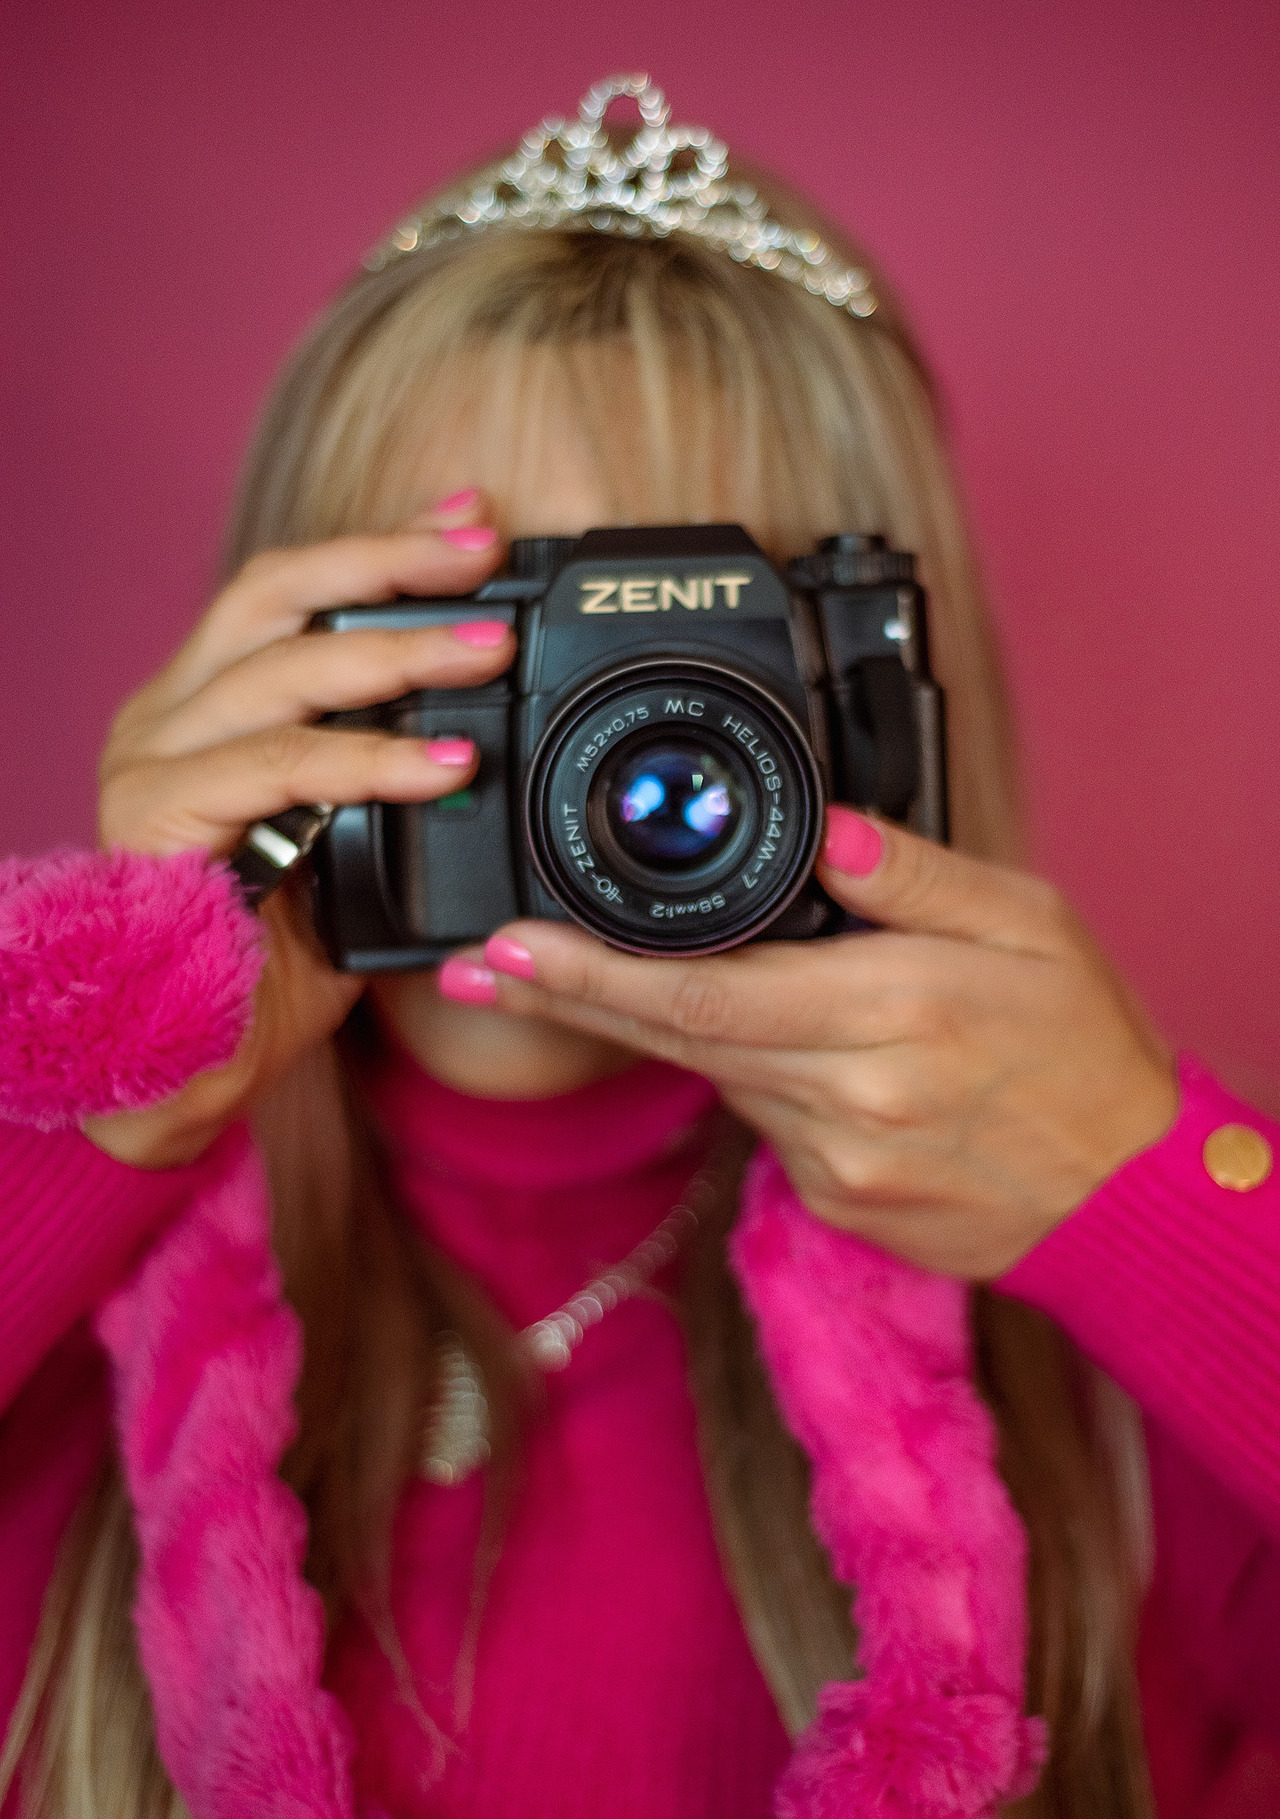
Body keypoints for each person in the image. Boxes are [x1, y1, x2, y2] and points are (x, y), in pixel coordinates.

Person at [2, 74, 1278, 1819]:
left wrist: (1145, 1195)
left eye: (698, 655)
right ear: (273, 660)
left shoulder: (1108, 1409)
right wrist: (110, 1099)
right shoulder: (79, 1342)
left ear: (883, 710)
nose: (600, 757)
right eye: (491, 642)